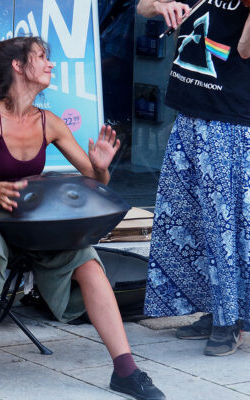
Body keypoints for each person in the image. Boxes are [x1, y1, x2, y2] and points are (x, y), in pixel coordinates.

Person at [0, 36, 165, 400]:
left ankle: (126, 369)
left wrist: (100, 167)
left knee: (89, 262)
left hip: (35, 231)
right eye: (41, 58)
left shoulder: (50, 122)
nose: (50, 65)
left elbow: (95, 182)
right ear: (18, 67)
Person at [137, 0, 250, 356]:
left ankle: (230, 322)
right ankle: (216, 308)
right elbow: (141, 7)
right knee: (189, 220)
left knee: (224, 224)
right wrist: (160, 5)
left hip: (229, 117)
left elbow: (246, 49)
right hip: (189, 110)